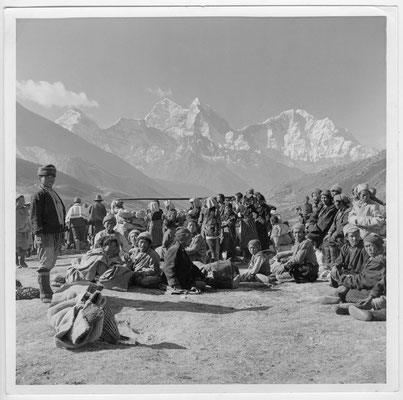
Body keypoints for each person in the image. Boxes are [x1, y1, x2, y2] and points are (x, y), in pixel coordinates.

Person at [30, 164, 66, 302]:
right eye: (47, 176)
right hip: (45, 233)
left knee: (52, 260)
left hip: (56, 232)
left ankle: (46, 289)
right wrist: (38, 233)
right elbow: (34, 216)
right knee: (45, 260)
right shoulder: (38, 195)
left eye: (53, 176)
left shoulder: (53, 193)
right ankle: (45, 292)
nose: (51, 179)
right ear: (41, 178)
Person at [330, 233, 386, 308]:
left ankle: (366, 305)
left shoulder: (378, 261)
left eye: (371, 245)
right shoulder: (376, 257)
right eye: (366, 246)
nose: (368, 249)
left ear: (378, 246)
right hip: (377, 287)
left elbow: (361, 281)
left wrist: (339, 278)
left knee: (350, 293)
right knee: (348, 288)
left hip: (380, 290)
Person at [329, 224, 369, 288]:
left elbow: (366, 267)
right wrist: (335, 267)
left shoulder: (364, 248)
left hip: (358, 275)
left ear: (359, 235)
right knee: (334, 272)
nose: (355, 238)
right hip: (348, 273)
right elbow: (339, 261)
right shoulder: (345, 248)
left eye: (356, 235)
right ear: (347, 238)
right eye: (352, 236)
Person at [322, 194, 352, 267]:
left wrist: (333, 235)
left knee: (332, 242)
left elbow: (343, 226)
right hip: (337, 234)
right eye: (335, 202)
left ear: (342, 202)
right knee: (326, 241)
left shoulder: (348, 212)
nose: (335, 204)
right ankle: (327, 263)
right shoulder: (339, 211)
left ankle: (334, 264)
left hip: (344, 236)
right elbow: (334, 224)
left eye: (337, 202)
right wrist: (329, 233)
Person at [201, 197, 221, 262]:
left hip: (208, 231)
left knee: (210, 248)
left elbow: (202, 221)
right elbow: (219, 221)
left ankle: (211, 260)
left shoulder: (205, 210)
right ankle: (214, 260)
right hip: (214, 232)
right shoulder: (216, 210)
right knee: (214, 249)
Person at [16, 194, 31, 269]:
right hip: (15, 231)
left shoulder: (25, 209)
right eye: (21, 200)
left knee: (24, 247)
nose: (22, 202)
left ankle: (22, 261)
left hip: (24, 230)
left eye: (23, 200)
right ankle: (16, 262)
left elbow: (27, 219)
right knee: (15, 247)